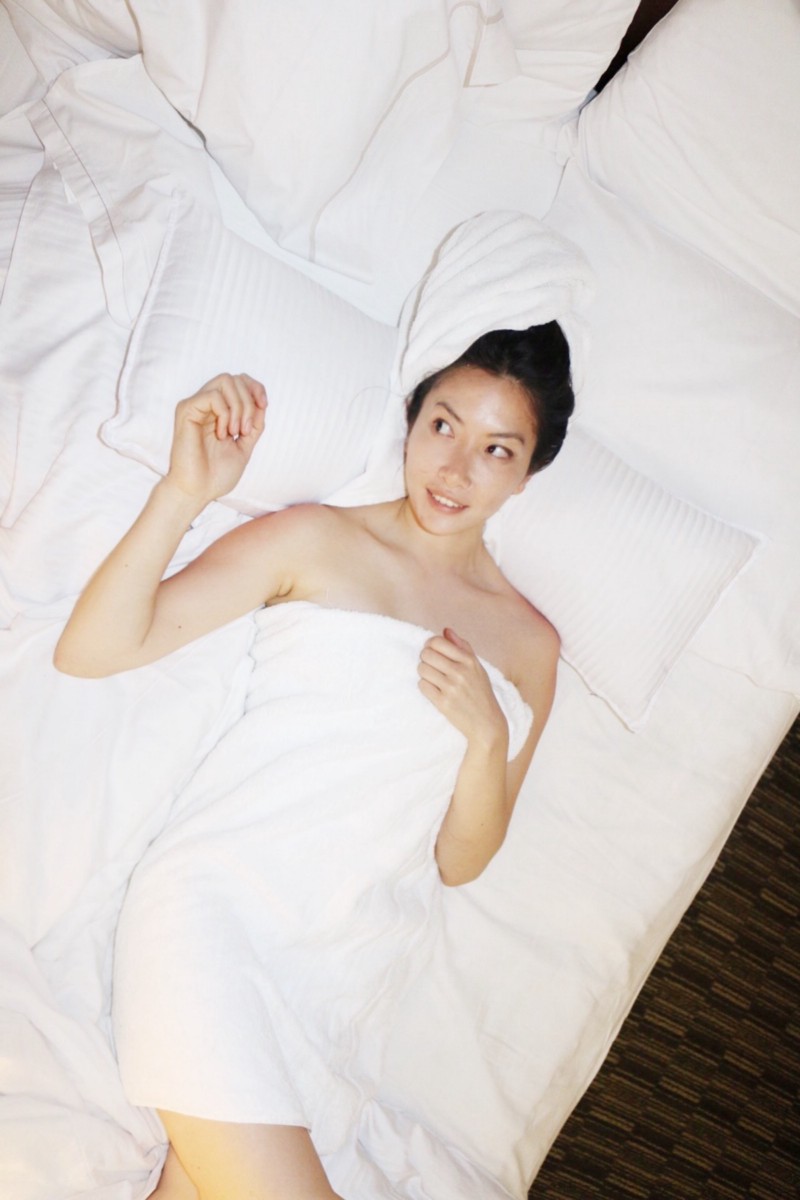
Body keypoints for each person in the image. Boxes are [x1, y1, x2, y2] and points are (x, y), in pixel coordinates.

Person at [54, 323, 574, 1200]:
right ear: (412, 419)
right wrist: (185, 491)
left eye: (497, 449)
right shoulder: (314, 540)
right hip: (214, 915)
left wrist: (488, 737)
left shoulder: (529, 646)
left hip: (342, 970)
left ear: (528, 473)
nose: (455, 469)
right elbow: (92, 649)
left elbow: (461, 861)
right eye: (443, 426)